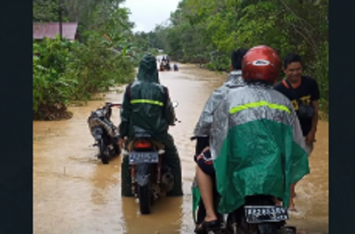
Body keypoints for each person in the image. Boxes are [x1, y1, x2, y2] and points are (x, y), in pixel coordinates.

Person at [194, 45, 310, 232]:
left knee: (202, 163)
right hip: (271, 167)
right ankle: (278, 202)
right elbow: (297, 144)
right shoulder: (283, 101)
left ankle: (210, 214)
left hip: (241, 164)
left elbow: (219, 135)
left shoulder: (229, 98)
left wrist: (212, 149)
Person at [192, 49, 248, 233]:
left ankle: (209, 215)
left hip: (225, 155)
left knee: (202, 164)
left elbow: (203, 128)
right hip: (258, 155)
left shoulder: (220, 93)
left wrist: (199, 152)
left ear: (231, 67)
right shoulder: (268, 93)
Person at [118, 54, 183, 197]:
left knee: (126, 160)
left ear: (140, 69)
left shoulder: (130, 89)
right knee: (173, 158)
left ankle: (126, 193)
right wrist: (171, 121)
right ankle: (176, 193)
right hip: (158, 135)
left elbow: (125, 116)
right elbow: (169, 113)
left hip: (135, 134)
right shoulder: (162, 90)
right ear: (155, 69)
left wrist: (122, 135)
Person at [274, 53, 320, 211]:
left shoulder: (310, 84)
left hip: (306, 133)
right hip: (287, 135)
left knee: (299, 165)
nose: (295, 73)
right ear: (285, 70)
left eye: (298, 69)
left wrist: (313, 131)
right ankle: (288, 200)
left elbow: (315, 108)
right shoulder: (278, 90)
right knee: (286, 167)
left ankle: (289, 194)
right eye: (291, 70)